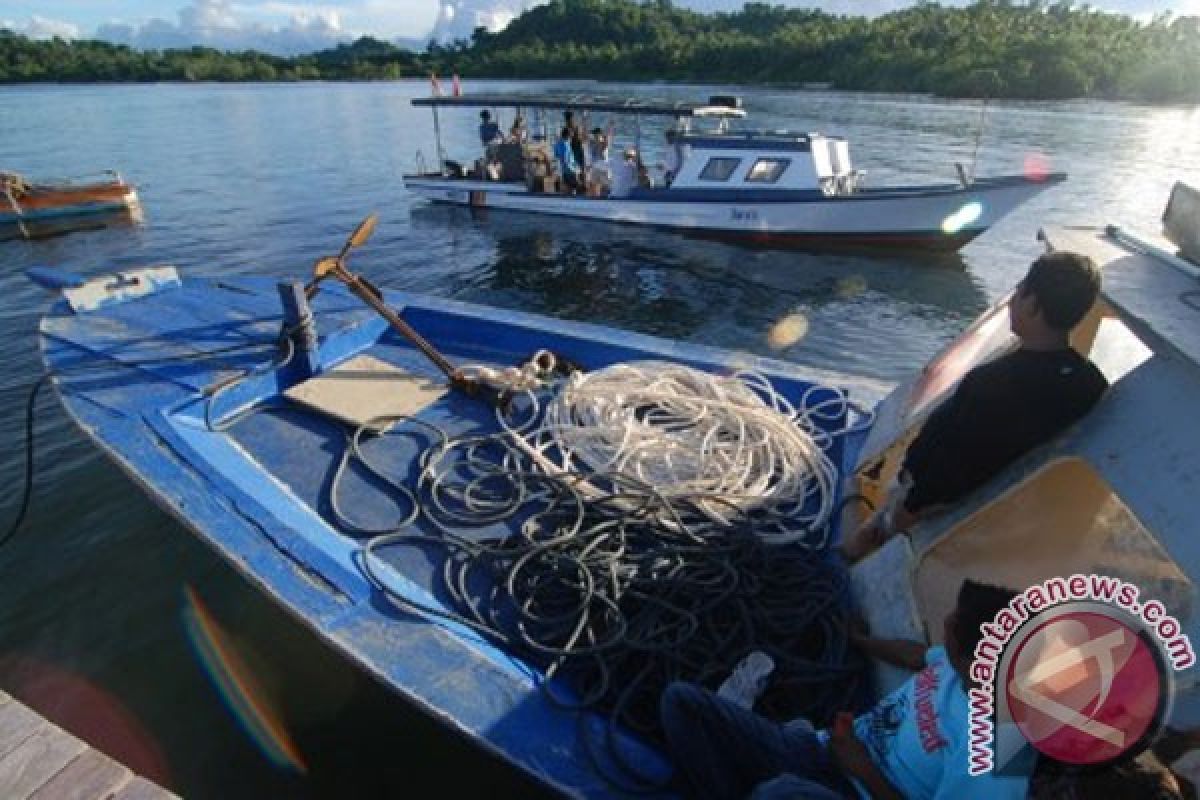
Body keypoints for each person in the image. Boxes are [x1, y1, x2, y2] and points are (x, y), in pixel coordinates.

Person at [841, 251, 1108, 562]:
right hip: (1005, 514)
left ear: (1034, 306)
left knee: (865, 544)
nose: (1010, 302)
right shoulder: (1090, 383)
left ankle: (846, 560)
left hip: (928, 503)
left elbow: (950, 466)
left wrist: (906, 510)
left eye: (1019, 293)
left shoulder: (992, 384)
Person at [659, 579, 1032, 800]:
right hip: (821, 751)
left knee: (779, 793)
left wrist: (860, 766)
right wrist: (860, 640)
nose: (943, 631)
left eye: (949, 633)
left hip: (855, 788)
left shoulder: (997, 762)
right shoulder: (971, 667)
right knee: (681, 703)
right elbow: (918, 655)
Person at [553, 127, 581, 193]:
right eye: (572, 133)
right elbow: (565, 159)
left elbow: (556, 156)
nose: (573, 135)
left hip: (563, 169)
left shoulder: (558, 143)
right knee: (574, 187)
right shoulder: (565, 144)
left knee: (567, 187)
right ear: (568, 135)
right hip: (569, 169)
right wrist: (575, 169)